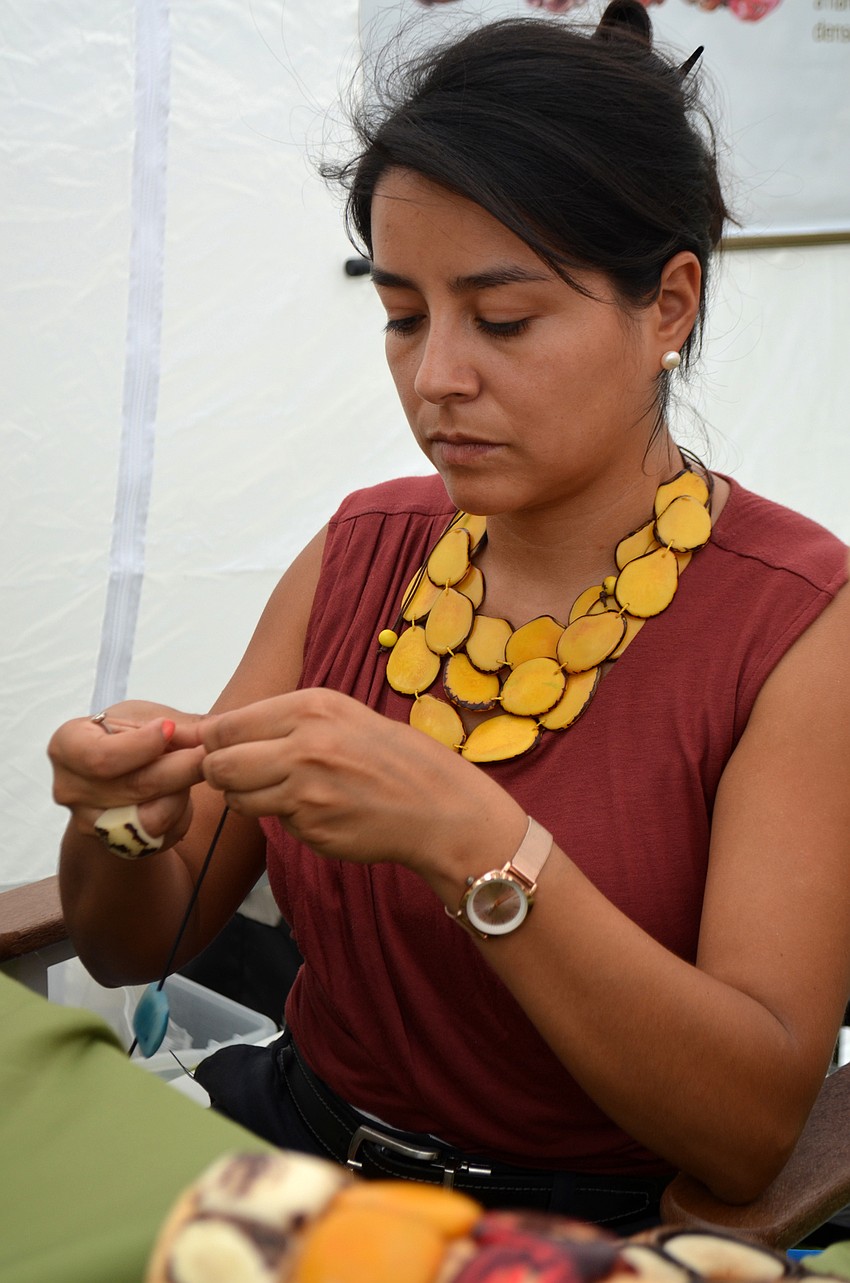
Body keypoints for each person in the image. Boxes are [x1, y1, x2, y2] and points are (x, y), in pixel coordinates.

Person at [47, 0, 850, 1233]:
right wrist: (119, 819)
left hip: (591, 1229)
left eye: (505, 318)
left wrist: (478, 840)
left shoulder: (797, 623)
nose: (436, 379)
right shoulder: (363, 548)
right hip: (290, 1158)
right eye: (403, 314)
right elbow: (128, 941)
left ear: (669, 306)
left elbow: (744, 1130)